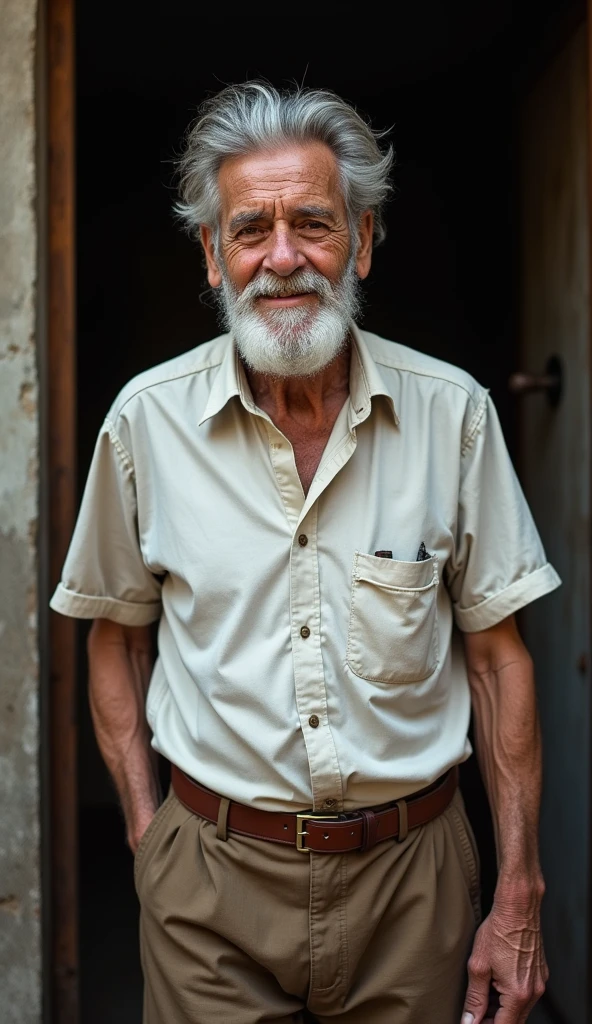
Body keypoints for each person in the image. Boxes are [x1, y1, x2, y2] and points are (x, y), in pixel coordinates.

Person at [51, 82, 560, 1024]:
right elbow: (115, 638)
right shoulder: (145, 423)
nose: (283, 259)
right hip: (209, 881)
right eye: (250, 230)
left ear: (362, 242)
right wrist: (147, 837)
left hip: (415, 883)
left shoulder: (454, 413)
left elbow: (498, 660)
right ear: (211, 255)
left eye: (314, 224)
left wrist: (519, 893)